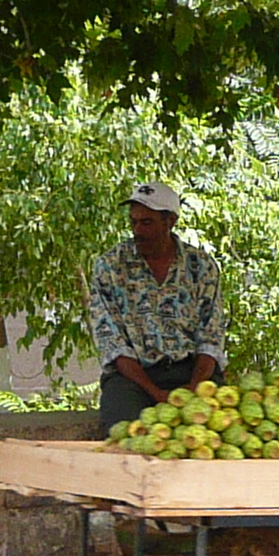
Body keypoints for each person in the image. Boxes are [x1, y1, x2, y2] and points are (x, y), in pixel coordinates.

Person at [87, 182, 226, 431]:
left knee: (223, 431)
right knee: (123, 435)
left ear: (170, 221)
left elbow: (211, 337)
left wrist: (194, 387)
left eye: (147, 223)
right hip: (134, 376)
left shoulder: (201, 266)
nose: (138, 230)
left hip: (192, 370)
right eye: (134, 222)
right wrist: (156, 393)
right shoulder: (110, 266)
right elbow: (113, 343)